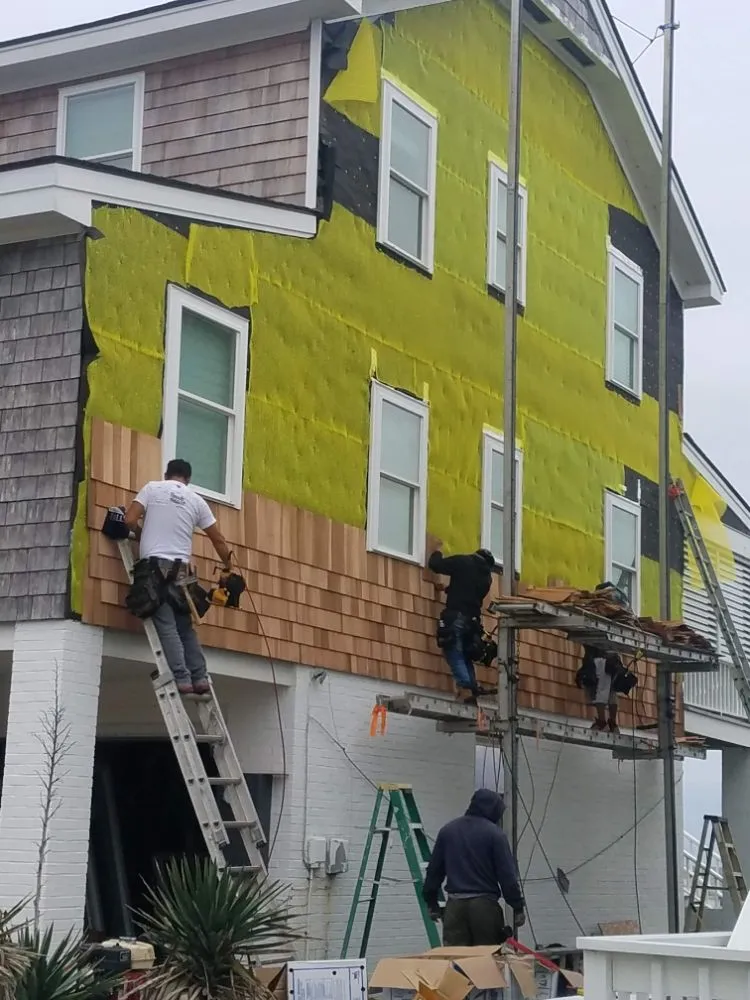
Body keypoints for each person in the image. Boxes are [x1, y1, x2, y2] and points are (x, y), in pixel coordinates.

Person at [123, 459, 233, 696]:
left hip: (155, 571)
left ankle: (182, 679)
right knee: (185, 628)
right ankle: (200, 678)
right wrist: (229, 566)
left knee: (167, 626)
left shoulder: (152, 488)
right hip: (183, 573)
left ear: (167, 474)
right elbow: (219, 540)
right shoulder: (196, 500)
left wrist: (142, 534)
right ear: (188, 479)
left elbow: (129, 520)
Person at [422, 789, 526, 946]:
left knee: (457, 962)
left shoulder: (447, 831)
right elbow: (507, 878)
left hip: (455, 908)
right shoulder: (495, 835)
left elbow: (434, 871)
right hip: (484, 908)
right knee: (487, 961)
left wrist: (431, 902)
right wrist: (517, 906)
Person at [427, 543, 496, 702]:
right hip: (472, 622)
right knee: (465, 655)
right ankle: (471, 689)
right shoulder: (487, 578)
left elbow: (435, 565)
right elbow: (467, 590)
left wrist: (436, 551)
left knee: (453, 650)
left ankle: (465, 687)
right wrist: (448, 589)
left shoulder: (464, 561)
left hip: (456, 616)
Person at [577, 645, 624, 733]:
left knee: (601, 691)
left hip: (600, 659)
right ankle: (612, 723)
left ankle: (602, 723)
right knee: (611, 691)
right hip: (613, 659)